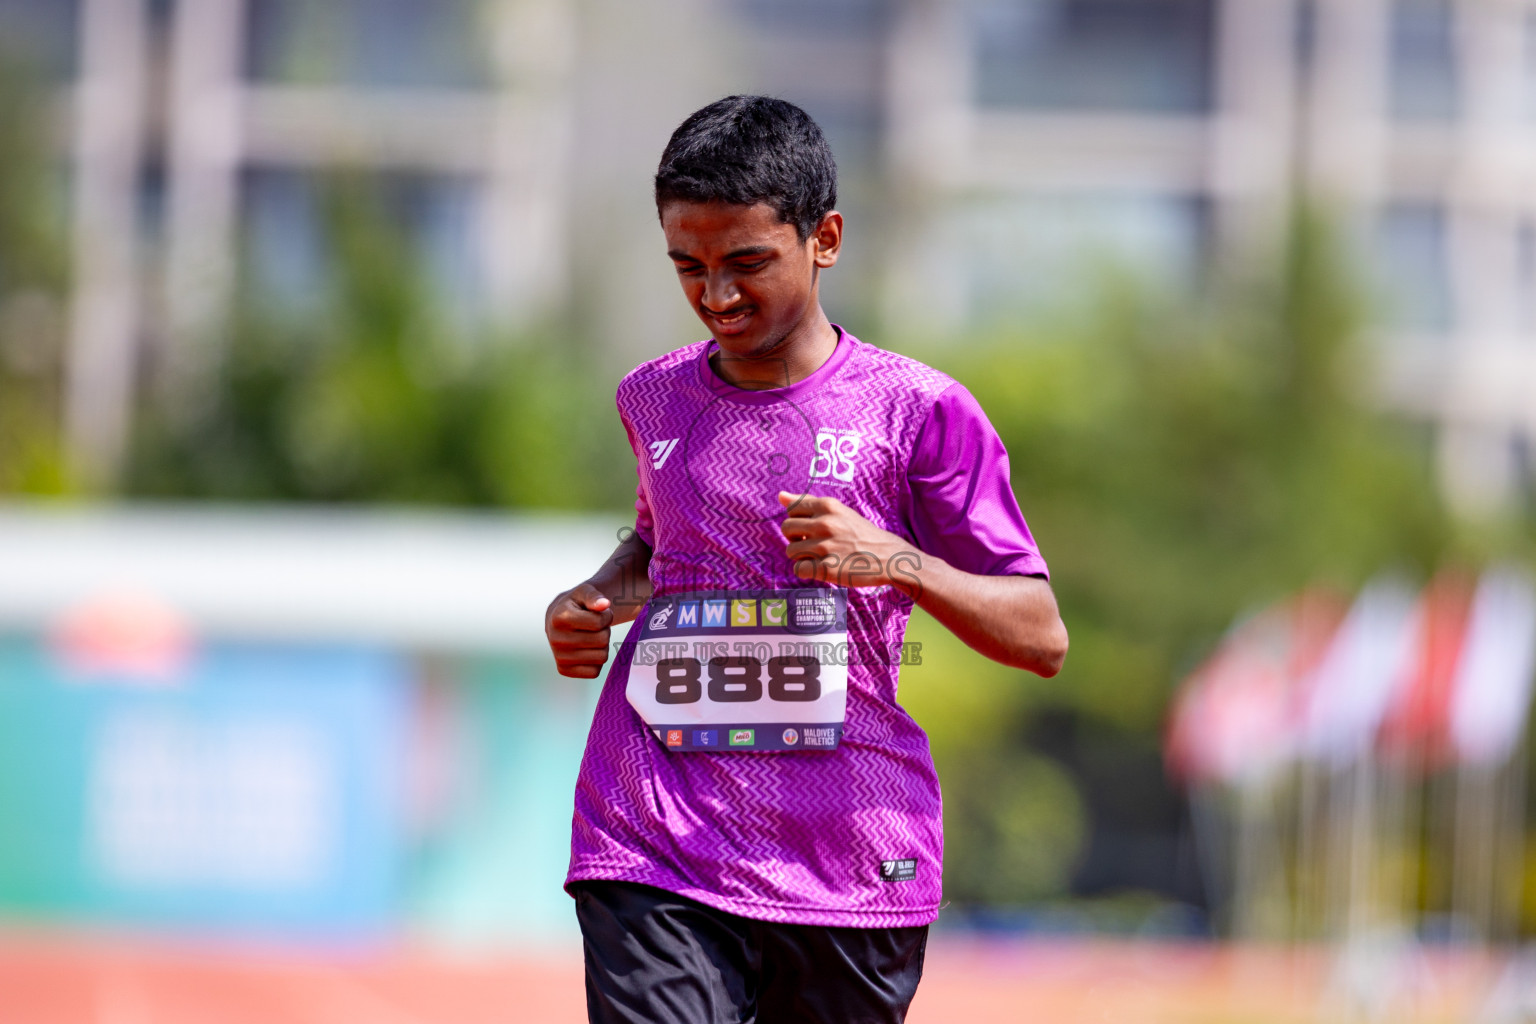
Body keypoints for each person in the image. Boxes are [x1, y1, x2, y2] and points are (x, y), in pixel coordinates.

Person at [545, 95, 1068, 1024]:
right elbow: (658, 546)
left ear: (824, 238)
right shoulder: (653, 399)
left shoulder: (921, 412)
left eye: (747, 262)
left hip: (846, 849)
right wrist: (593, 597)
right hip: (656, 826)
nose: (717, 295)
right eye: (689, 267)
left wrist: (896, 560)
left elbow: (1040, 634)